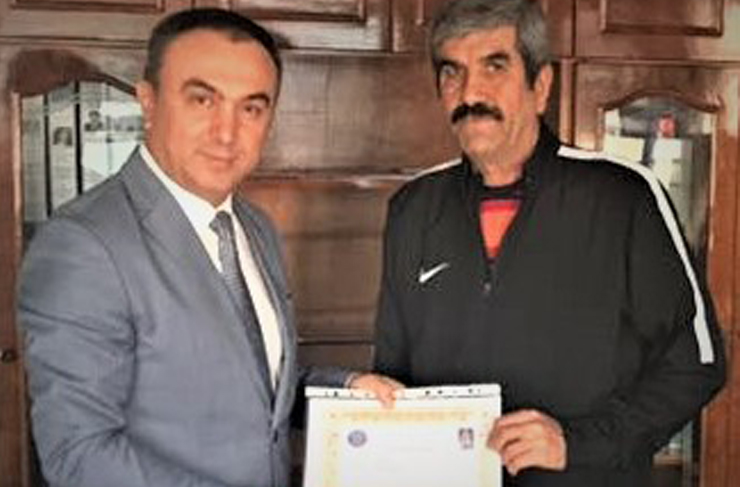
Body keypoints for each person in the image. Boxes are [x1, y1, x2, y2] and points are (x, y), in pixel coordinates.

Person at [20, 8, 399, 487]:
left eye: (251, 109)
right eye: (202, 100)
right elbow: (80, 457)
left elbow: (252, 385)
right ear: (148, 101)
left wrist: (344, 389)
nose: (226, 132)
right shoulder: (82, 245)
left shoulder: (254, 227)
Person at [372, 0, 726, 485]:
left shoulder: (624, 197)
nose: (470, 92)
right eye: (452, 72)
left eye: (494, 67)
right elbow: (392, 380)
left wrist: (576, 444)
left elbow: (697, 363)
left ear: (540, 87)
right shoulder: (412, 209)